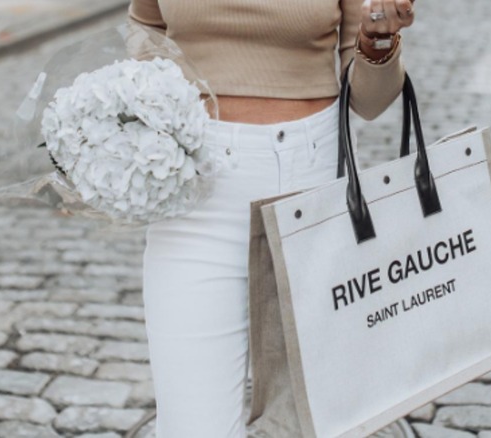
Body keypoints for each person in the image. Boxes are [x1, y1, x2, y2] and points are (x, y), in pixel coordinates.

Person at [129, 0, 415, 436]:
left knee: (311, 424)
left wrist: (377, 42)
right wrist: (145, 104)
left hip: (311, 186)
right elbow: (146, 24)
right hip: (194, 196)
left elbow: (369, 102)